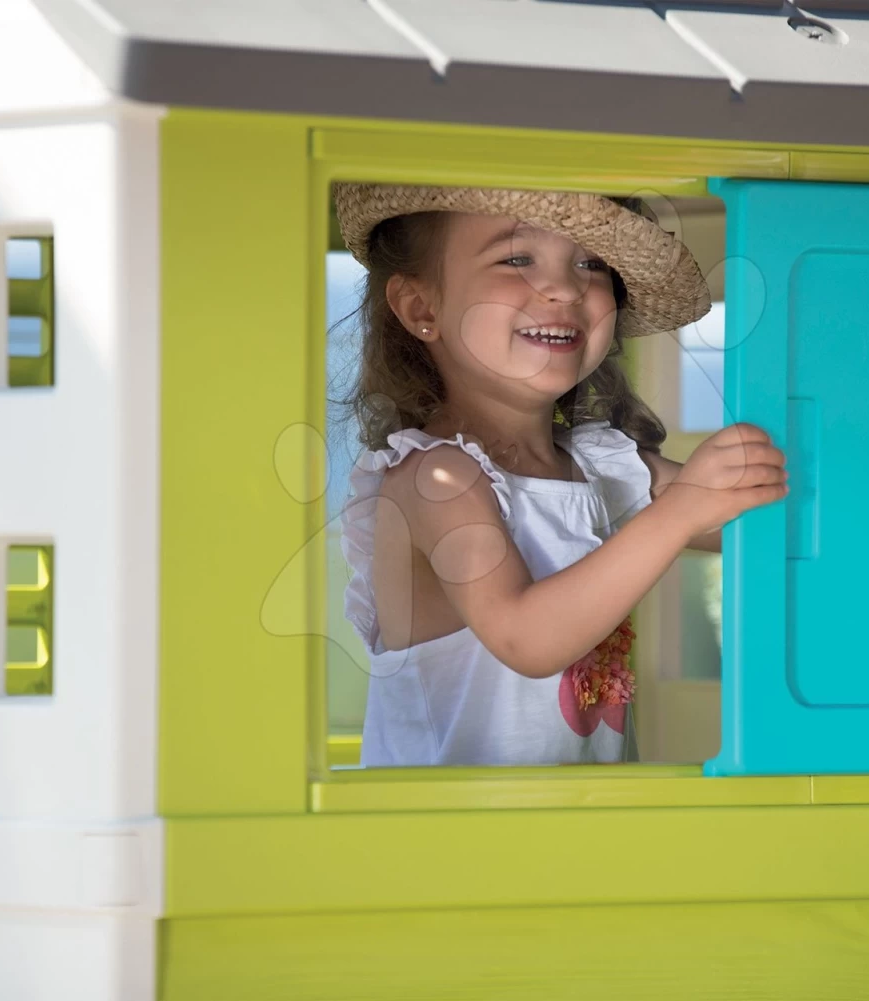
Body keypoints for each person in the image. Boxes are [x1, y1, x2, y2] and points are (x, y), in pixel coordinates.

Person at [334, 183, 787, 768]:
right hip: (449, 821)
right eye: (517, 258)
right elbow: (526, 639)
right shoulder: (436, 479)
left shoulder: (599, 466)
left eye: (591, 264)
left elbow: (750, 518)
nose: (567, 288)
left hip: (578, 810)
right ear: (423, 309)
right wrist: (680, 512)